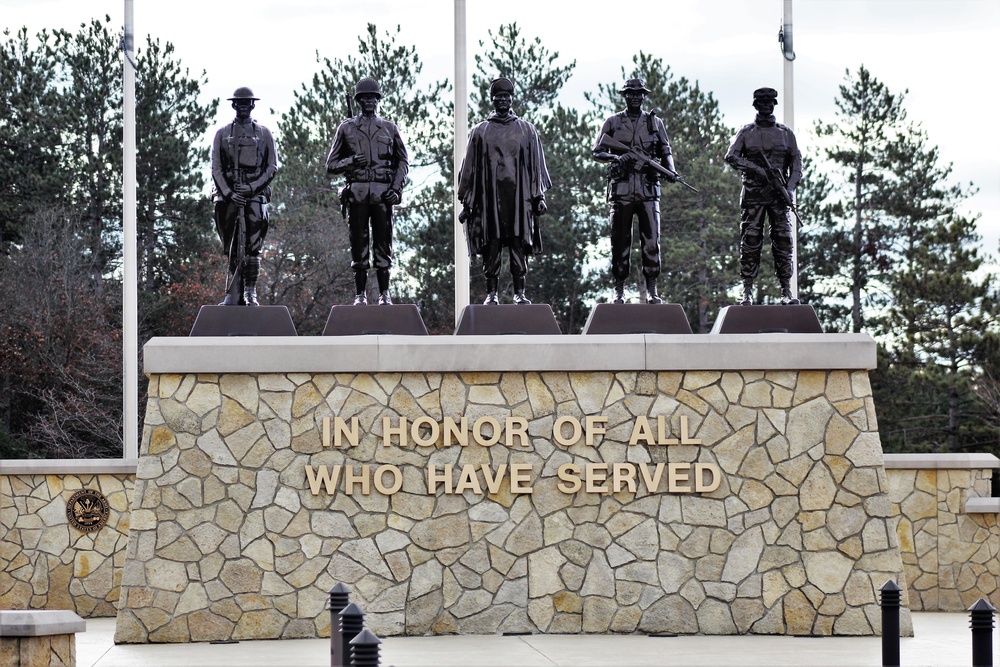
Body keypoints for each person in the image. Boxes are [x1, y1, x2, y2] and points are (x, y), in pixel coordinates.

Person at [458, 77, 551, 305]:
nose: (502, 101)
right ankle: (492, 293)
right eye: (498, 97)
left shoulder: (527, 130)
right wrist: (467, 202)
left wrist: (538, 196)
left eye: (506, 97)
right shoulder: (480, 131)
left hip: (519, 199)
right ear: (492, 100)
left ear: (511, 99)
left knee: (518, 243)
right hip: (490, 199)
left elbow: (536, 166)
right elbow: (468, 168)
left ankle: (520, 293)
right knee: (492, 245)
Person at [592, 78, 677, 305]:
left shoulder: (655, 123)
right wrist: (617, 157)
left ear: (643, 96)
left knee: (651, 241)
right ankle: (619, 290)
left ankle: (652, 290)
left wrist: (671, 171)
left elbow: (665, 150)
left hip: (648, 189)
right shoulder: (612, 122)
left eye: (639, 94)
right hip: (621, 190)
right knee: (619, 242)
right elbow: (597, 151)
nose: (635, 97)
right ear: (625, 96)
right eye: (631, 93)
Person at [326, 77, 409, 305]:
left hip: (383, 194)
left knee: (384, 244)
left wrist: (396, 188)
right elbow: (331, 165)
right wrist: (351, 161)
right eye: (365, 98)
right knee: (359, 244)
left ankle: (384, 294)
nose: (369, 101)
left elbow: (402, 161)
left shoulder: (389, 128)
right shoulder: (346, 128)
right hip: (358, 192)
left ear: (378, 100)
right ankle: (360, 295)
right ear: (359, 101)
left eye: (373, 98)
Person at [724, 87, 803, 305]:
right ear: (756, 105)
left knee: (784, 240)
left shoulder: (786, 134)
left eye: (770, 102)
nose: (766, 105)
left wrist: (790, 188)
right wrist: (755, 169)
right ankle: (747, 291)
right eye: (762, 102)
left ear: (774, 104)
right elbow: (731, 156)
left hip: (778, 196)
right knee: (750, 240)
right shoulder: (746, 132)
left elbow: (796, 163)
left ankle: (786, 290)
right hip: (753, 195)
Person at [211, 86, 278, 306]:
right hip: (228, 196)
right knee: (231, 245)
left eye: (246, 103)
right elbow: (217, 169)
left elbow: (271, 168)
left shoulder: (264, 133)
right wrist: (229, 193)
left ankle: (250, 291)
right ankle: (233, 293)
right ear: (233, 105)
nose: (243, 107)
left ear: (252, 105)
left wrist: (252, 188)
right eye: (239, 103)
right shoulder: (222, 134)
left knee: (252, 246)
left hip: (255, 194)